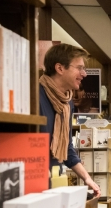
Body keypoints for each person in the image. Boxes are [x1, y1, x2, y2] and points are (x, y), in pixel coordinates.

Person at [40, 43, 101, 197]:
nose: (84, 74)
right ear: (60, 68)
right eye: (79, 68)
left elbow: (67, 148)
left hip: (55, 183)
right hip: (36, 186)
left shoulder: (67, 104)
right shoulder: (35, 97)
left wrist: (87, 178)